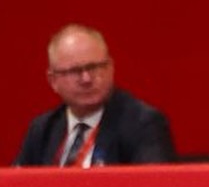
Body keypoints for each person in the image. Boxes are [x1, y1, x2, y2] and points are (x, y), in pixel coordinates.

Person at [13, 23, 175, 165]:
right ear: (53, 80)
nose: (86, 79)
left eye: (94, 67)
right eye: (75, 71)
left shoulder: (142, 123)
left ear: (111, 68)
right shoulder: (43, 129)